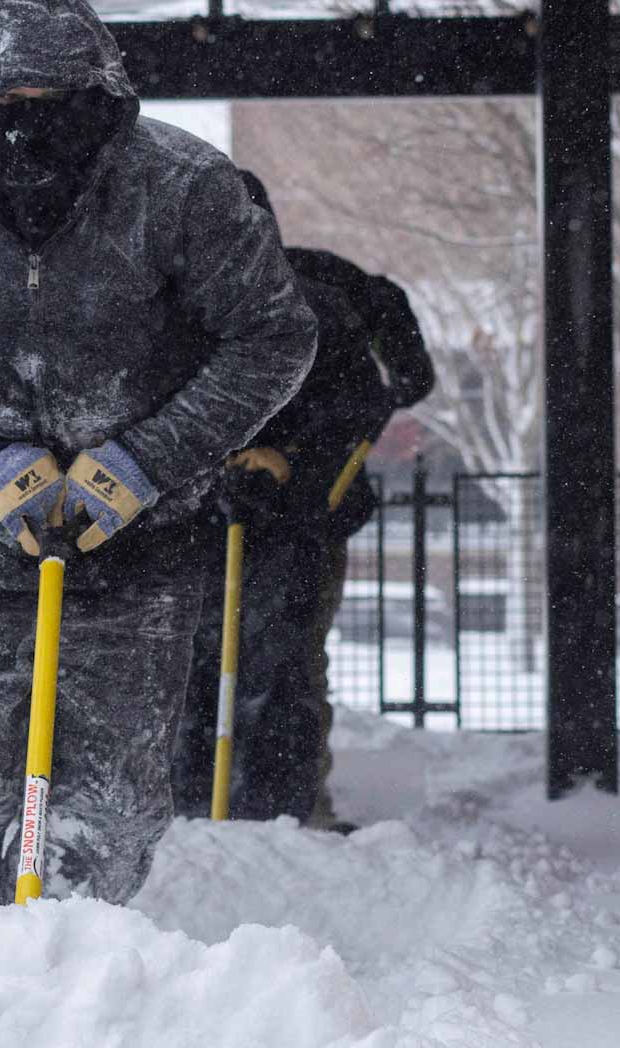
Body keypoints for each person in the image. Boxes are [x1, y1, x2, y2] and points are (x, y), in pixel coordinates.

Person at [0, 0, 317, 905]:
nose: (27, 123)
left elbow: (273, 336)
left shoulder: (182, 186)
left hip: (141, 539)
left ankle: (67, 970)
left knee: (111, 813)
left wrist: (141, 464)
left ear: (102, 94)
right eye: (4, 101)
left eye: (53, 101)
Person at [171, 170, 437, 829]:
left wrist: (286, 464)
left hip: (299, 520)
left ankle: (282, 819)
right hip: (197, 519)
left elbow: (358, 410)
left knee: (281, 660)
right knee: (189, 661)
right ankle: (189, 817)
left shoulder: (315, 308)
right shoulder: (167, 310)